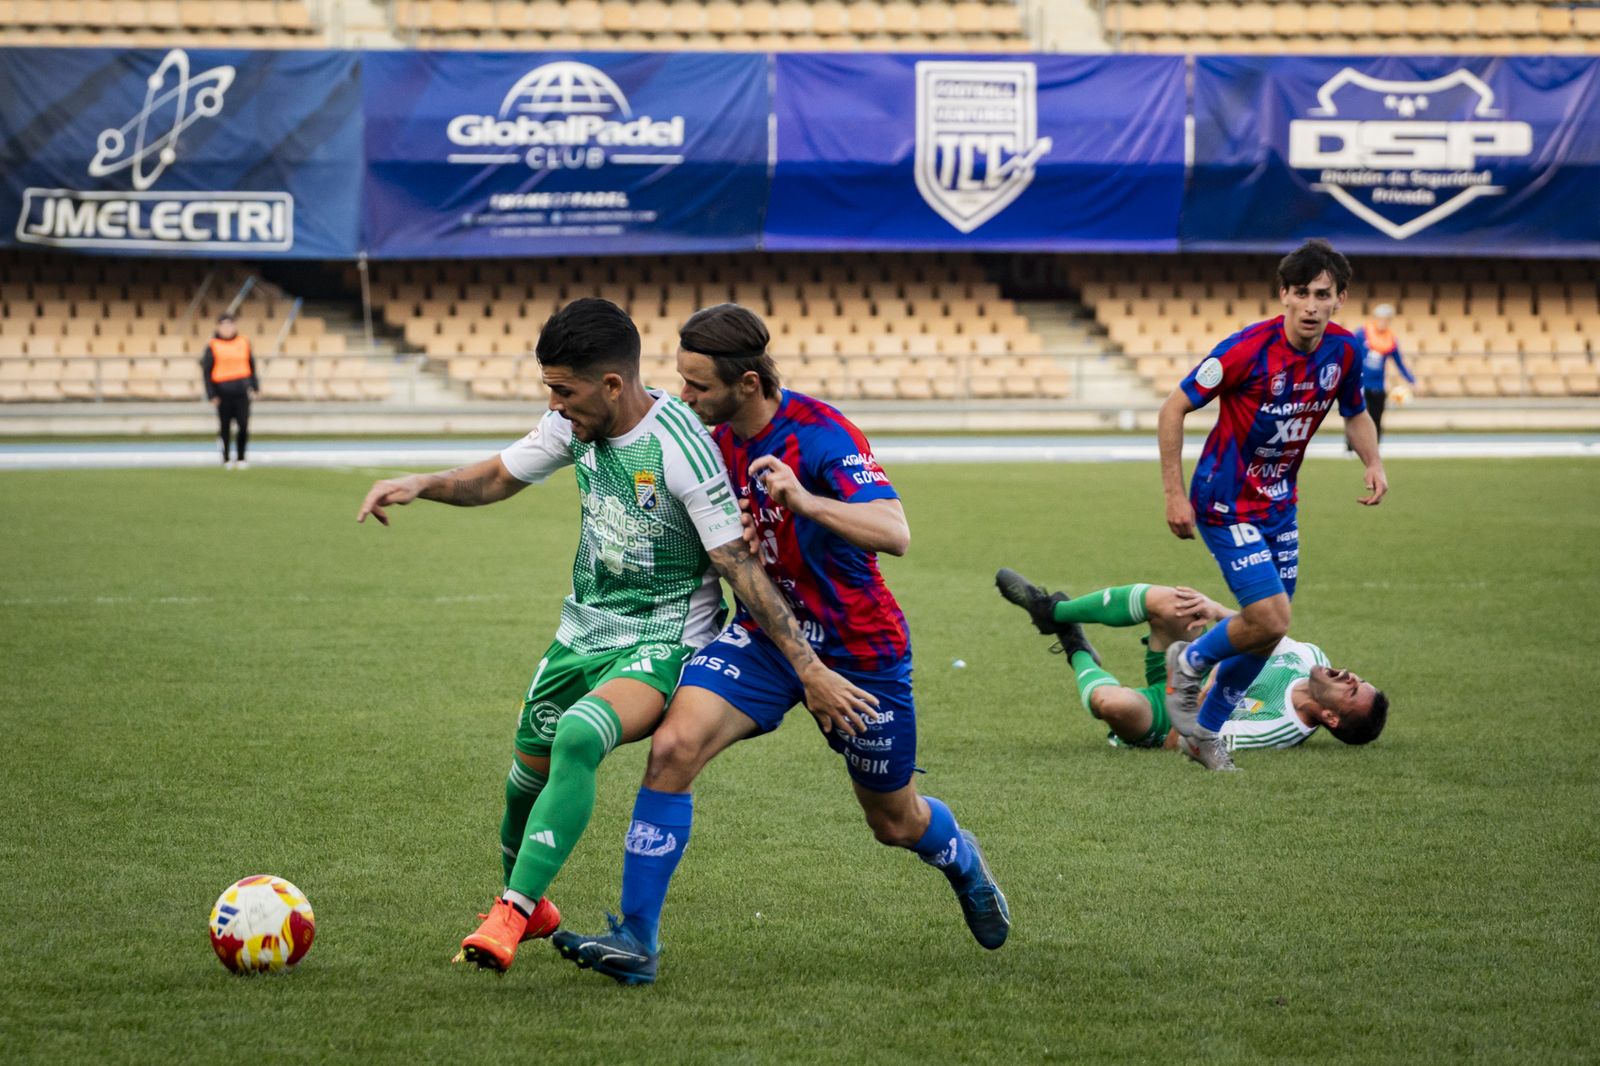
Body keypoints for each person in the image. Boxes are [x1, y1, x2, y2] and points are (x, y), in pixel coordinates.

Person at [355, 298, 873, 974]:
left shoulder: (680, 447)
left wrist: (807, 668)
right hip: (582, 631)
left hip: (665, 637)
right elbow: (498, 476)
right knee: (525, 780)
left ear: (610, 384)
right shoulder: (573, 424)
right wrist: (422, 483)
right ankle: (534, 907)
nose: (554, 404)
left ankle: (511, 911)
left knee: (579, 735)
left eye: (563, 391)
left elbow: (738, 566)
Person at [552, 303, 1008, 986]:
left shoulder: (821, 435)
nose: (685, 396)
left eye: (699, 385)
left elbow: (895, 530)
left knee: (893, 821)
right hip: (766, 637)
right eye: (683, 379)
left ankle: (961, 859)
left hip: (858, 651)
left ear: (749, 383)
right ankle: (636, 941)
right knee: (674, 748)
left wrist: (803, 500)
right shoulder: (711, 438)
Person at [1157, 238, 1388, 772]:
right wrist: (1173, 493)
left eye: (1322, 295)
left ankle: (1205, 736)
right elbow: (1173, 409)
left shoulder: (1345, 351)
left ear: (1340, 299)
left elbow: (1355, 411)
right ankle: (1189, 660)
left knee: (1269, 632)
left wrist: (1373, 461)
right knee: (1270, 616)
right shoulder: (1244, 349)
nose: (1311, 305)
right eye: (1301, 292)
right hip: (1224, 499)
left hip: (1280, 505)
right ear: (1283, 293)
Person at [994, 569, 1388, 759]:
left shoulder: (1278, 728)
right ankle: (1053, 611)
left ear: (1330, 717)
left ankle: (1075, 645)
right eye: (1357, 678)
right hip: (1187, 663)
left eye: (1351, 689)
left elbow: (1186, 741)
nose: (1348, 675)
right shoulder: (1311, 657)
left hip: (1172, 714)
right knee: (1176, 602)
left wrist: (1207, 683)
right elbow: (1262, 628)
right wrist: (1214, 609)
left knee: (1111, 704)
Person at [201, 314, 257, 469]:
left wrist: (255, 386)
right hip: (223, 391)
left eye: (230, 325)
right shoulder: (213, 345)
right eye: (224, 325)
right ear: (218, 327)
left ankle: (241, 457)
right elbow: (207, 372)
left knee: (243, 424)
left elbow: (251, 365)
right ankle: (225, 457)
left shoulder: (243, 342)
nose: (227, 328)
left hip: (241, 390)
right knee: (225, 426)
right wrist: (211, 394)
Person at [1353, 303, 1415, 438]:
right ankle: (1351, 446)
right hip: (1360, 384)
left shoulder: (1391, 340)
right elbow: (1350, 353)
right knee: (1357, 417)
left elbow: (1399, 363)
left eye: (1386, 319)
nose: (1383, 322)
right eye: (1380, 318)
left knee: (1376, 418)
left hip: (1378, 385)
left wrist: (1411, 379)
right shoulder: (1361, 334)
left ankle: (1374, 445)